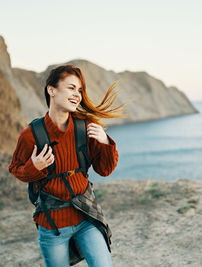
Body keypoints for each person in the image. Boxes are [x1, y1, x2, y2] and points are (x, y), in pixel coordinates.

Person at [8, 64, 126, 267]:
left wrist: (105, 143)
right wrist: (33, 167)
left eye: (79, 90)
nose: (77, 95)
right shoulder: (31, 135)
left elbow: (105, 170)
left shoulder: (85, 127)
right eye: (71, 88)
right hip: (52, 226)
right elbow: (16, 169)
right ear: (51, 90)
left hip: (87, 218)